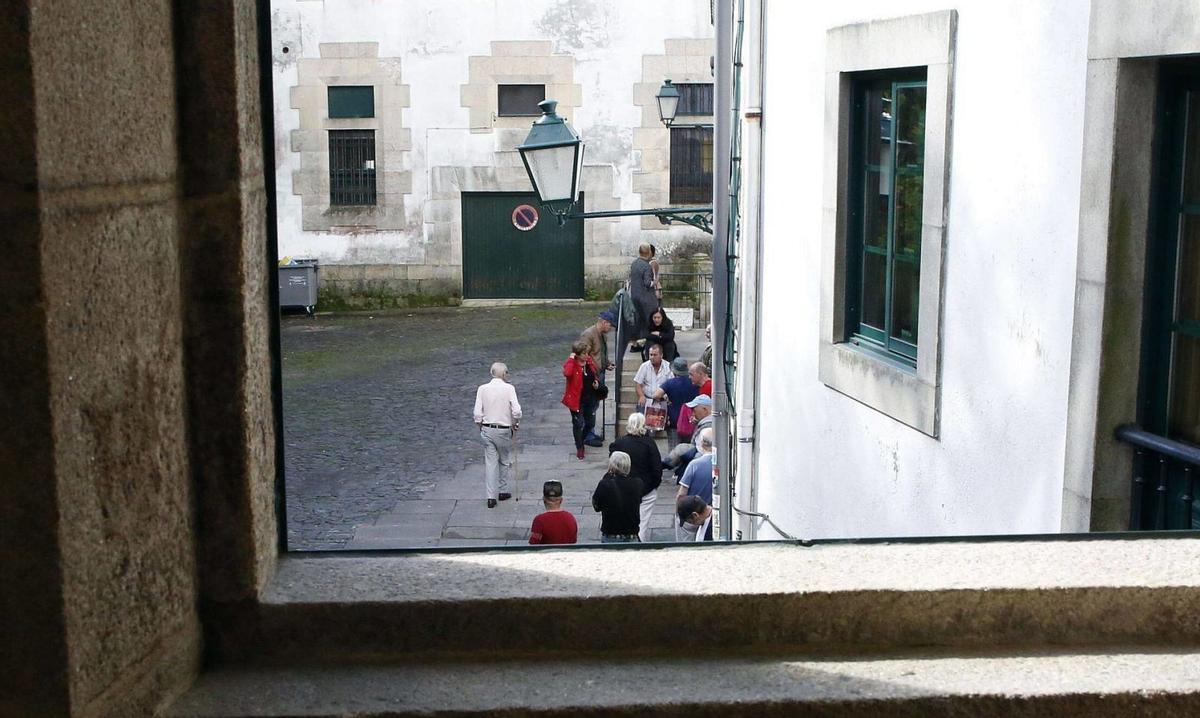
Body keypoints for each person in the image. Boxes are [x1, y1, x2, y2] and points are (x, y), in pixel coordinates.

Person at [473, 361, 522, 508]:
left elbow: (477, 412)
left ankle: (490, 497)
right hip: (503, 429)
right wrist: (516, 421)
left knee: (490, 463)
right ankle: (502, 490)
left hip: (487, 429)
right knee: (504, 459)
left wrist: (480, 425)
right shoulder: (509, 388)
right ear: (504, 374)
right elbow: (517, 410)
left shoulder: (482, 389)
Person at [609, 413, 663, 542]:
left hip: (622, 489)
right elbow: (657, 469)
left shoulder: (619, 443)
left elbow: (613, 465)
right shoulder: (649, 444)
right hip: (646, 489)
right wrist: (652, 486)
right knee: (642, 523)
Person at [578, 310, 615, 446]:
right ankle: (587, 434)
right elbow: (583, 356)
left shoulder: (602, 335)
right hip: (591, 375)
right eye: (610, 325)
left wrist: (606, 363)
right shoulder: (588, 334)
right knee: (589, 405)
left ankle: (590, 432)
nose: (611, 329)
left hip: (600, 373)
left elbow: (600, 353)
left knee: (595, 404)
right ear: (604, 322)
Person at [592, 451, 644, 543]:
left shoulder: (605, 484)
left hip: (611, 534)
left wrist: (608, 475)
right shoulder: (638, 483)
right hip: (631, 535)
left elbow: (596, 506)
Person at [562, 340, 600, 460]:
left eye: (587, 353)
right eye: (584, 353)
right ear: (577, 354)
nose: (587, 355)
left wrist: (597, 383)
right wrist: (571, 359)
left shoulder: (588, 362)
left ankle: (581, 440)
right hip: (576, 399)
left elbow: (595, 373)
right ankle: (580, 447)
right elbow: (567, 373)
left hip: (589, 397)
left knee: (590, 423)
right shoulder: (572, 364)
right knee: (578, 424)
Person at [663, 394, 713, 480]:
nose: (693, 413)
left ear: (704, 410)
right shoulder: (707, 422)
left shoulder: (708, 425)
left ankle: (664, 465)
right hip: (700, 454)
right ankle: (666, 464)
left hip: (701, 457)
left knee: (681, 449)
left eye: (694, 410)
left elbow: (701, 448)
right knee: (681, 448)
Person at [653, 357, 699, 444]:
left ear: (674, 371)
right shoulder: (694, 382)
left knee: (674, 450)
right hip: (691, 420)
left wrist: (665, 399)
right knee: (689, 449)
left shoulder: (670, 383)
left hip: (674, 421)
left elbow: (656, 395)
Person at [633, 343, 672, 429]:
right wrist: (641, 396)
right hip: (647, 399)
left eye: (655, 355)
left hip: (662, 400)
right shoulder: (644, 366)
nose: (652, 357)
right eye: (650, 355)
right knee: (640, 406)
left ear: (661, 355)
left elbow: (672, 384)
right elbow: (638, 384)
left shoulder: (668, 367)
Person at [529, 480, 578, 545]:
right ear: (561, 500)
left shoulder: (539, 520)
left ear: (544, 499)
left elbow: (533, 545)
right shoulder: (570, 518)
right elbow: (573, 541)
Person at [628, 243, 657, 345]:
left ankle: (636, 343)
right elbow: (647, 283)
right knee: (648, 321)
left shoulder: (634, 264)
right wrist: (655, 282)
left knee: (637, 321)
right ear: (649, 252)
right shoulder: (646, 266)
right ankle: (647, 342)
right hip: (646, 298)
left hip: (634, 296)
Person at [678, 427, 715, 506]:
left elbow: (682, 494)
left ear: (702, 443)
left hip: (694, 510)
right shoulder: (724, 465)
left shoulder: (694, 465)